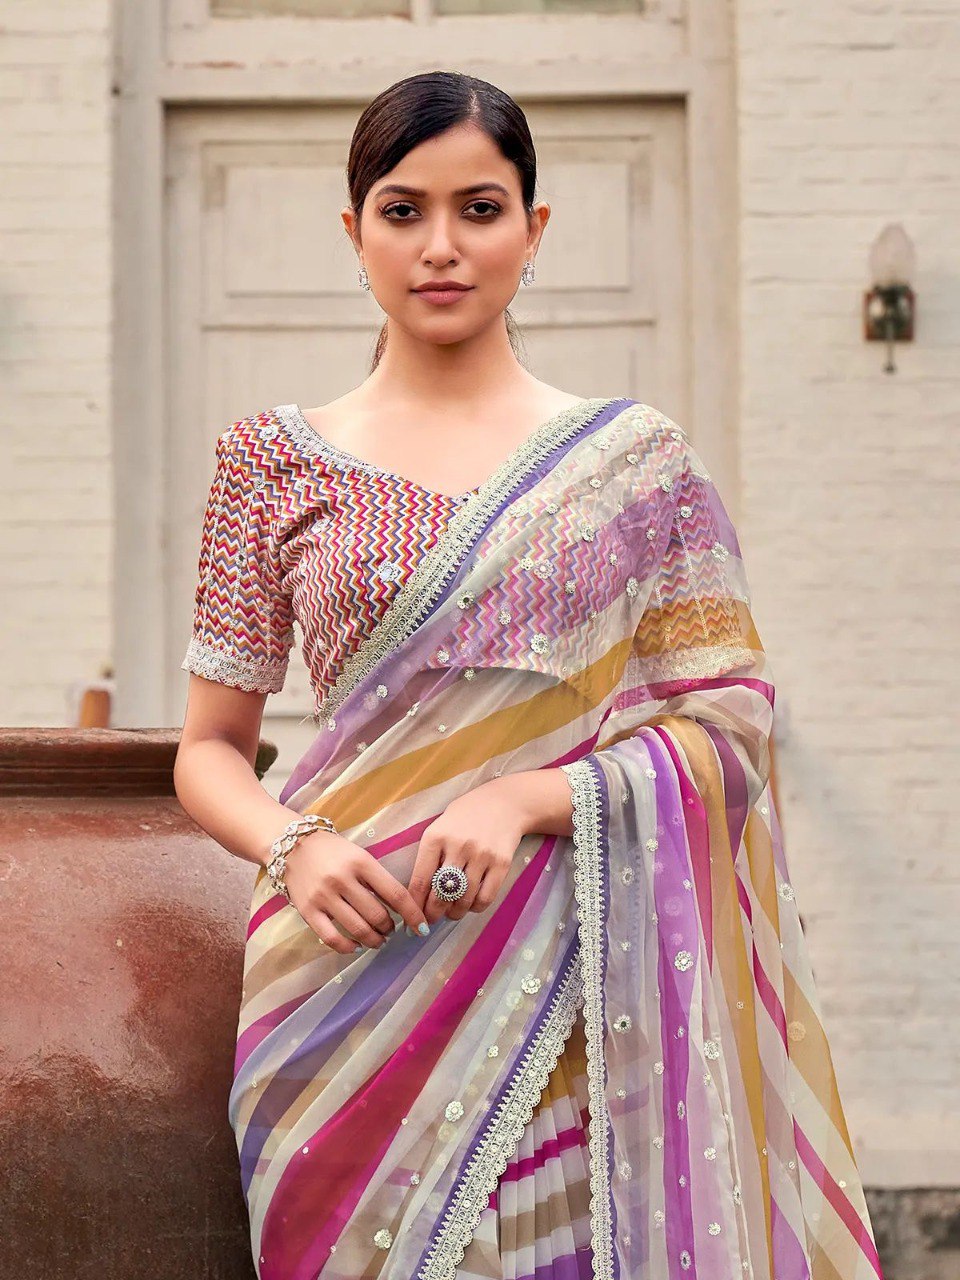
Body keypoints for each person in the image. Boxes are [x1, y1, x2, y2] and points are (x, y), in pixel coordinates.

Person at [173, 69, 884, 1280]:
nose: (440, 247)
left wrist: (520, 798)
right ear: (354, 233)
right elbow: (209, 750)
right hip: (335, 986)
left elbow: (730, 727)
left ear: (534, 229)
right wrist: (296, 846)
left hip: (569, 977)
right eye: (402, 211)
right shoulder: (267, 464)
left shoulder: (635, 465)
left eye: (480, 208)